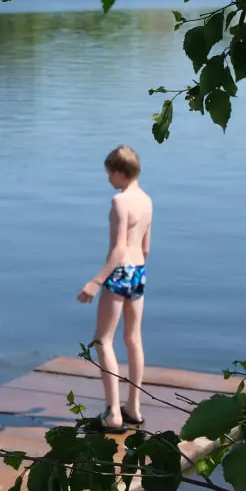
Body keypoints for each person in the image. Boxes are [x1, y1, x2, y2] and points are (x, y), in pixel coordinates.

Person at [77, 146, 153, 433]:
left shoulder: (120, 201)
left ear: (119, 172)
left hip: (120, 272)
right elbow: (145, 247)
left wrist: (96, 281)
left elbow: (120, 248)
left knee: (103, 341)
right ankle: (133, 407)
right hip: (139, 272)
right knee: (133, 339)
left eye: (109, 173)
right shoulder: (147, 200)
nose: (108, 179)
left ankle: (113, 414)